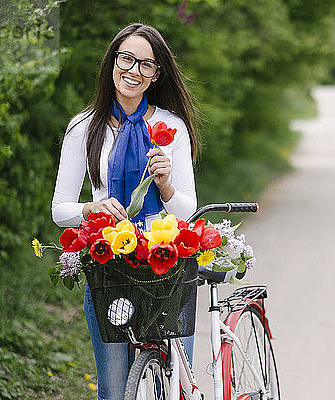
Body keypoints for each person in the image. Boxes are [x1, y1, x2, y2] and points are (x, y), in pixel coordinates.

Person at [51, 23, 198, 400]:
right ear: (113, 62)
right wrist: (92, 208)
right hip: (111, 268)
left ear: (156, 74)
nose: (133, 71)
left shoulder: (171, 126)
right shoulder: (83, 128)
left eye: (145, 65)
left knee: (177, 384)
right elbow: (60, 210)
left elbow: (187, 209)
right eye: (127, 59)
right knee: (115, 392)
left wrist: (165, 185)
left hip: (165, 265)